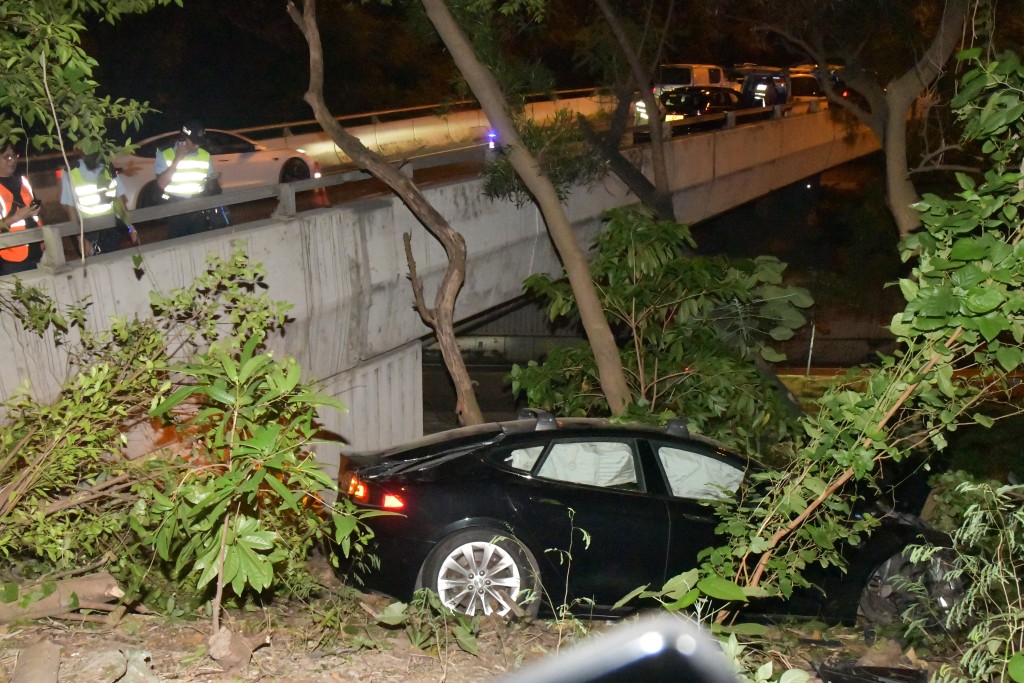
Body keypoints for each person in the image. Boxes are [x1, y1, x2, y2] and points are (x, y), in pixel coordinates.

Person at [154, 120, 223, 239]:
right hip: (175, 212)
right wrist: (177, 160)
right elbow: (161, 184)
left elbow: (211, 183)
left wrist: (215, 183)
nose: (197, 146)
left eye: (199, 143)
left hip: (198, 211)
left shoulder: (205, 154)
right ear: (183, 138)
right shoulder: (165, 153)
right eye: (194, 142)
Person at [59, 152, 135, 254]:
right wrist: (80, 239)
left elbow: (121, 201)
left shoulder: (107, 166)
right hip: (89, 232)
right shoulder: (71, 171)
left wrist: (131, 229)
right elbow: (70, 209)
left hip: (112, 229)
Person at [0, 142, 43, 275]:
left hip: (37, 251)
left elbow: (37, 214)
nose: (12, 160)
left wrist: (43, 237)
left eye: (15, 156)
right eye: (7, 157)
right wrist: (15, 218)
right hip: (11, 258)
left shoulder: (23, 180)